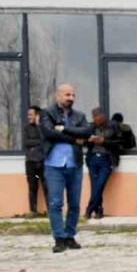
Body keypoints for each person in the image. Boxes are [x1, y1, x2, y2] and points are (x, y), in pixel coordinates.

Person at [39, 84, 93, 253]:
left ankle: (70, 236)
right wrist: (74, 138)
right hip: (54, 165)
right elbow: (49, 133)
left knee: (74, 204)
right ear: (58, 96)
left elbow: (87, 132)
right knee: (55, 203)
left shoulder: (80, 115)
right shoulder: (47, 113)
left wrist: (63, 129)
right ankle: (59, 238)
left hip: (74, 164)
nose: (71, 98)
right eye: (67, 95)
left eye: (73, 95)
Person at [84, 107, 122, 220]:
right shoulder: (91, 127)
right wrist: (88, 141)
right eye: (94, 118)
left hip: (107, 159)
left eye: (98, 117)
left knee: (99, 185)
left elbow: (120, 143)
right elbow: (82, 141)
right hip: (92, 159)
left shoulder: (113, 125)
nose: (96, 120)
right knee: (95, 185)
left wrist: (104, 141)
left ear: (103, 116)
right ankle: (99, 211)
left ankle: (89, 209)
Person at [23, 105, 48, 217]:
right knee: (32, 187)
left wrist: (39, 126)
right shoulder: (26, 128)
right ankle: (33, 211)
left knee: (46, 186)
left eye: (31, 114)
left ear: (37, 116)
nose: (29, 117)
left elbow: (44, 140)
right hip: (30, 162)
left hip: (43, 161)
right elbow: (26, 143)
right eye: (28, 115)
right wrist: (38, 142)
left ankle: (51, 211)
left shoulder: (43, 128)